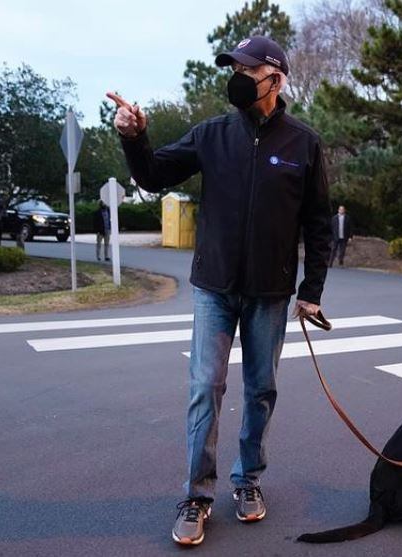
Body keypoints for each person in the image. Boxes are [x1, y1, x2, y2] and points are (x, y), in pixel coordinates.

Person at [108, 35, 331, 546]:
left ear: (275, 78)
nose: (235, 77)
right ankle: (196, 494)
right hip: (214, 288)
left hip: (270, 293)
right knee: (204, 388)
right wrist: (134, 137)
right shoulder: (211, 134)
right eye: (232, 67)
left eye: (246, 70)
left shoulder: (304, 143)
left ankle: (248, 480)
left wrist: (311, 289)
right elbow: (151, 175)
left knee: (261, 391)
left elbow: (319, 223)